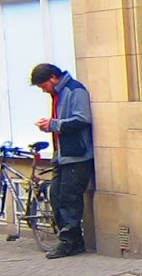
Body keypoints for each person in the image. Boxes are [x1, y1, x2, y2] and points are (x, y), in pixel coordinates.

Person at [30, 62, 94, 259]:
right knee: (56, 195)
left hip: (77, 156)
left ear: (52, 78)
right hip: (62, 155)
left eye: (43, 86)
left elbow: (83, 119)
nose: (43, 91)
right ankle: (72, 241)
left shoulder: (75, 90)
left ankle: (69, 243)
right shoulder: (58, 93)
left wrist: (53, 124)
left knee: (69, 199)